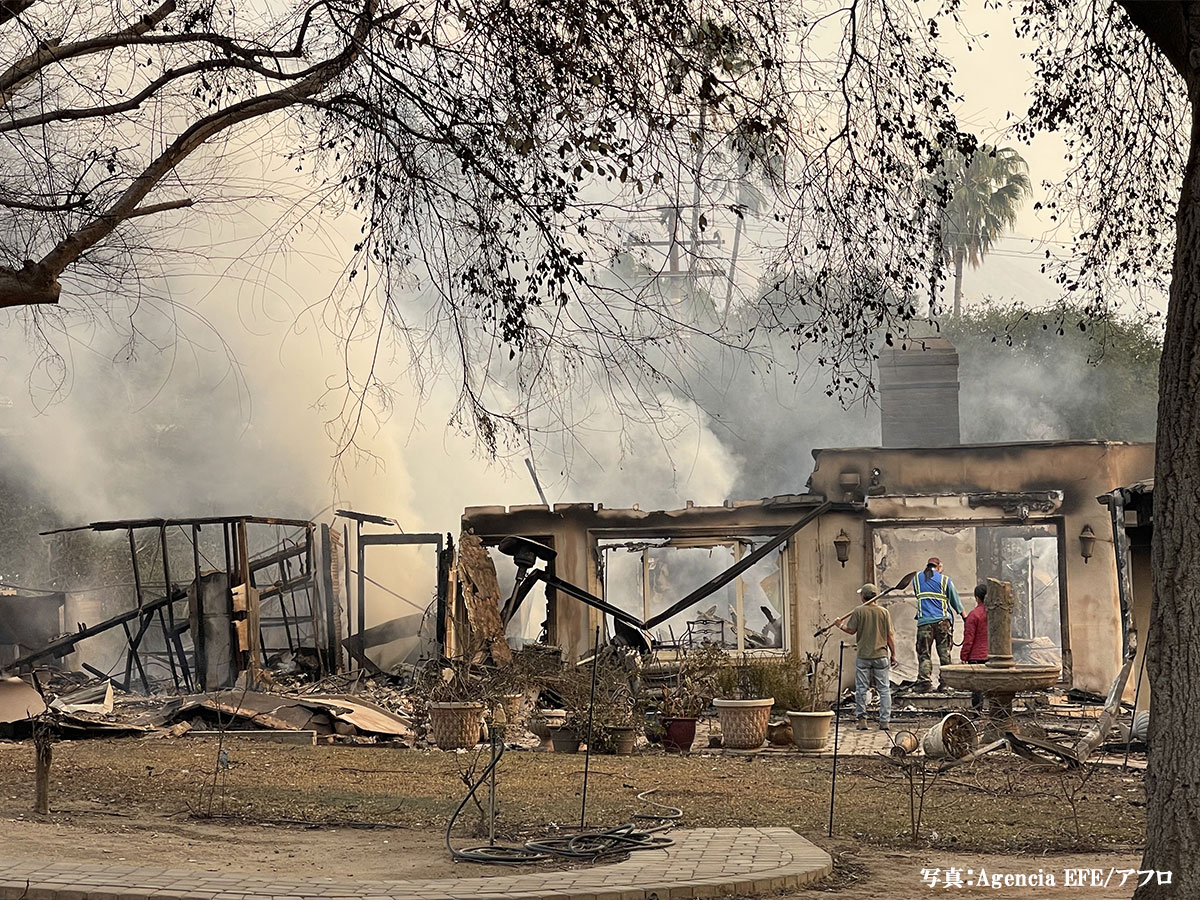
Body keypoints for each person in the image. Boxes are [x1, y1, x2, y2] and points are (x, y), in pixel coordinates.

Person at [835, 583, 897, 731]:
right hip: (881, 655)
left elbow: (851, 630)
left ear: (863, 597)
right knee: (884, 689)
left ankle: (862, 720)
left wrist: (840, 625)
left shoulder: (859, 611)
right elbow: (889, 636)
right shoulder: (884, 613)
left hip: (864, 656)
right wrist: (893, 654)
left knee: (861, 688)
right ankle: (884, 721)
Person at [912, 557, 964, 692]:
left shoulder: (916, 578)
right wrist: (964, 616)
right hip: (942, 623)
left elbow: (919, 595)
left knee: (924, 653)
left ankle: (924, 683)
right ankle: (945, 683)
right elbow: (954, 600)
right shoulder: (945, 580)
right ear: (939, 567)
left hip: (924, 623)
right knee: (945, 654)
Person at [960, 583, 989, 711]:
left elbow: (969, 638)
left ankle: (977, 713)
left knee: (977, 688)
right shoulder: (995, 614)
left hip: (976, 656)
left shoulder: (974, 615)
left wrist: (964, 656)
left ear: (977, 598)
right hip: (992, 656)